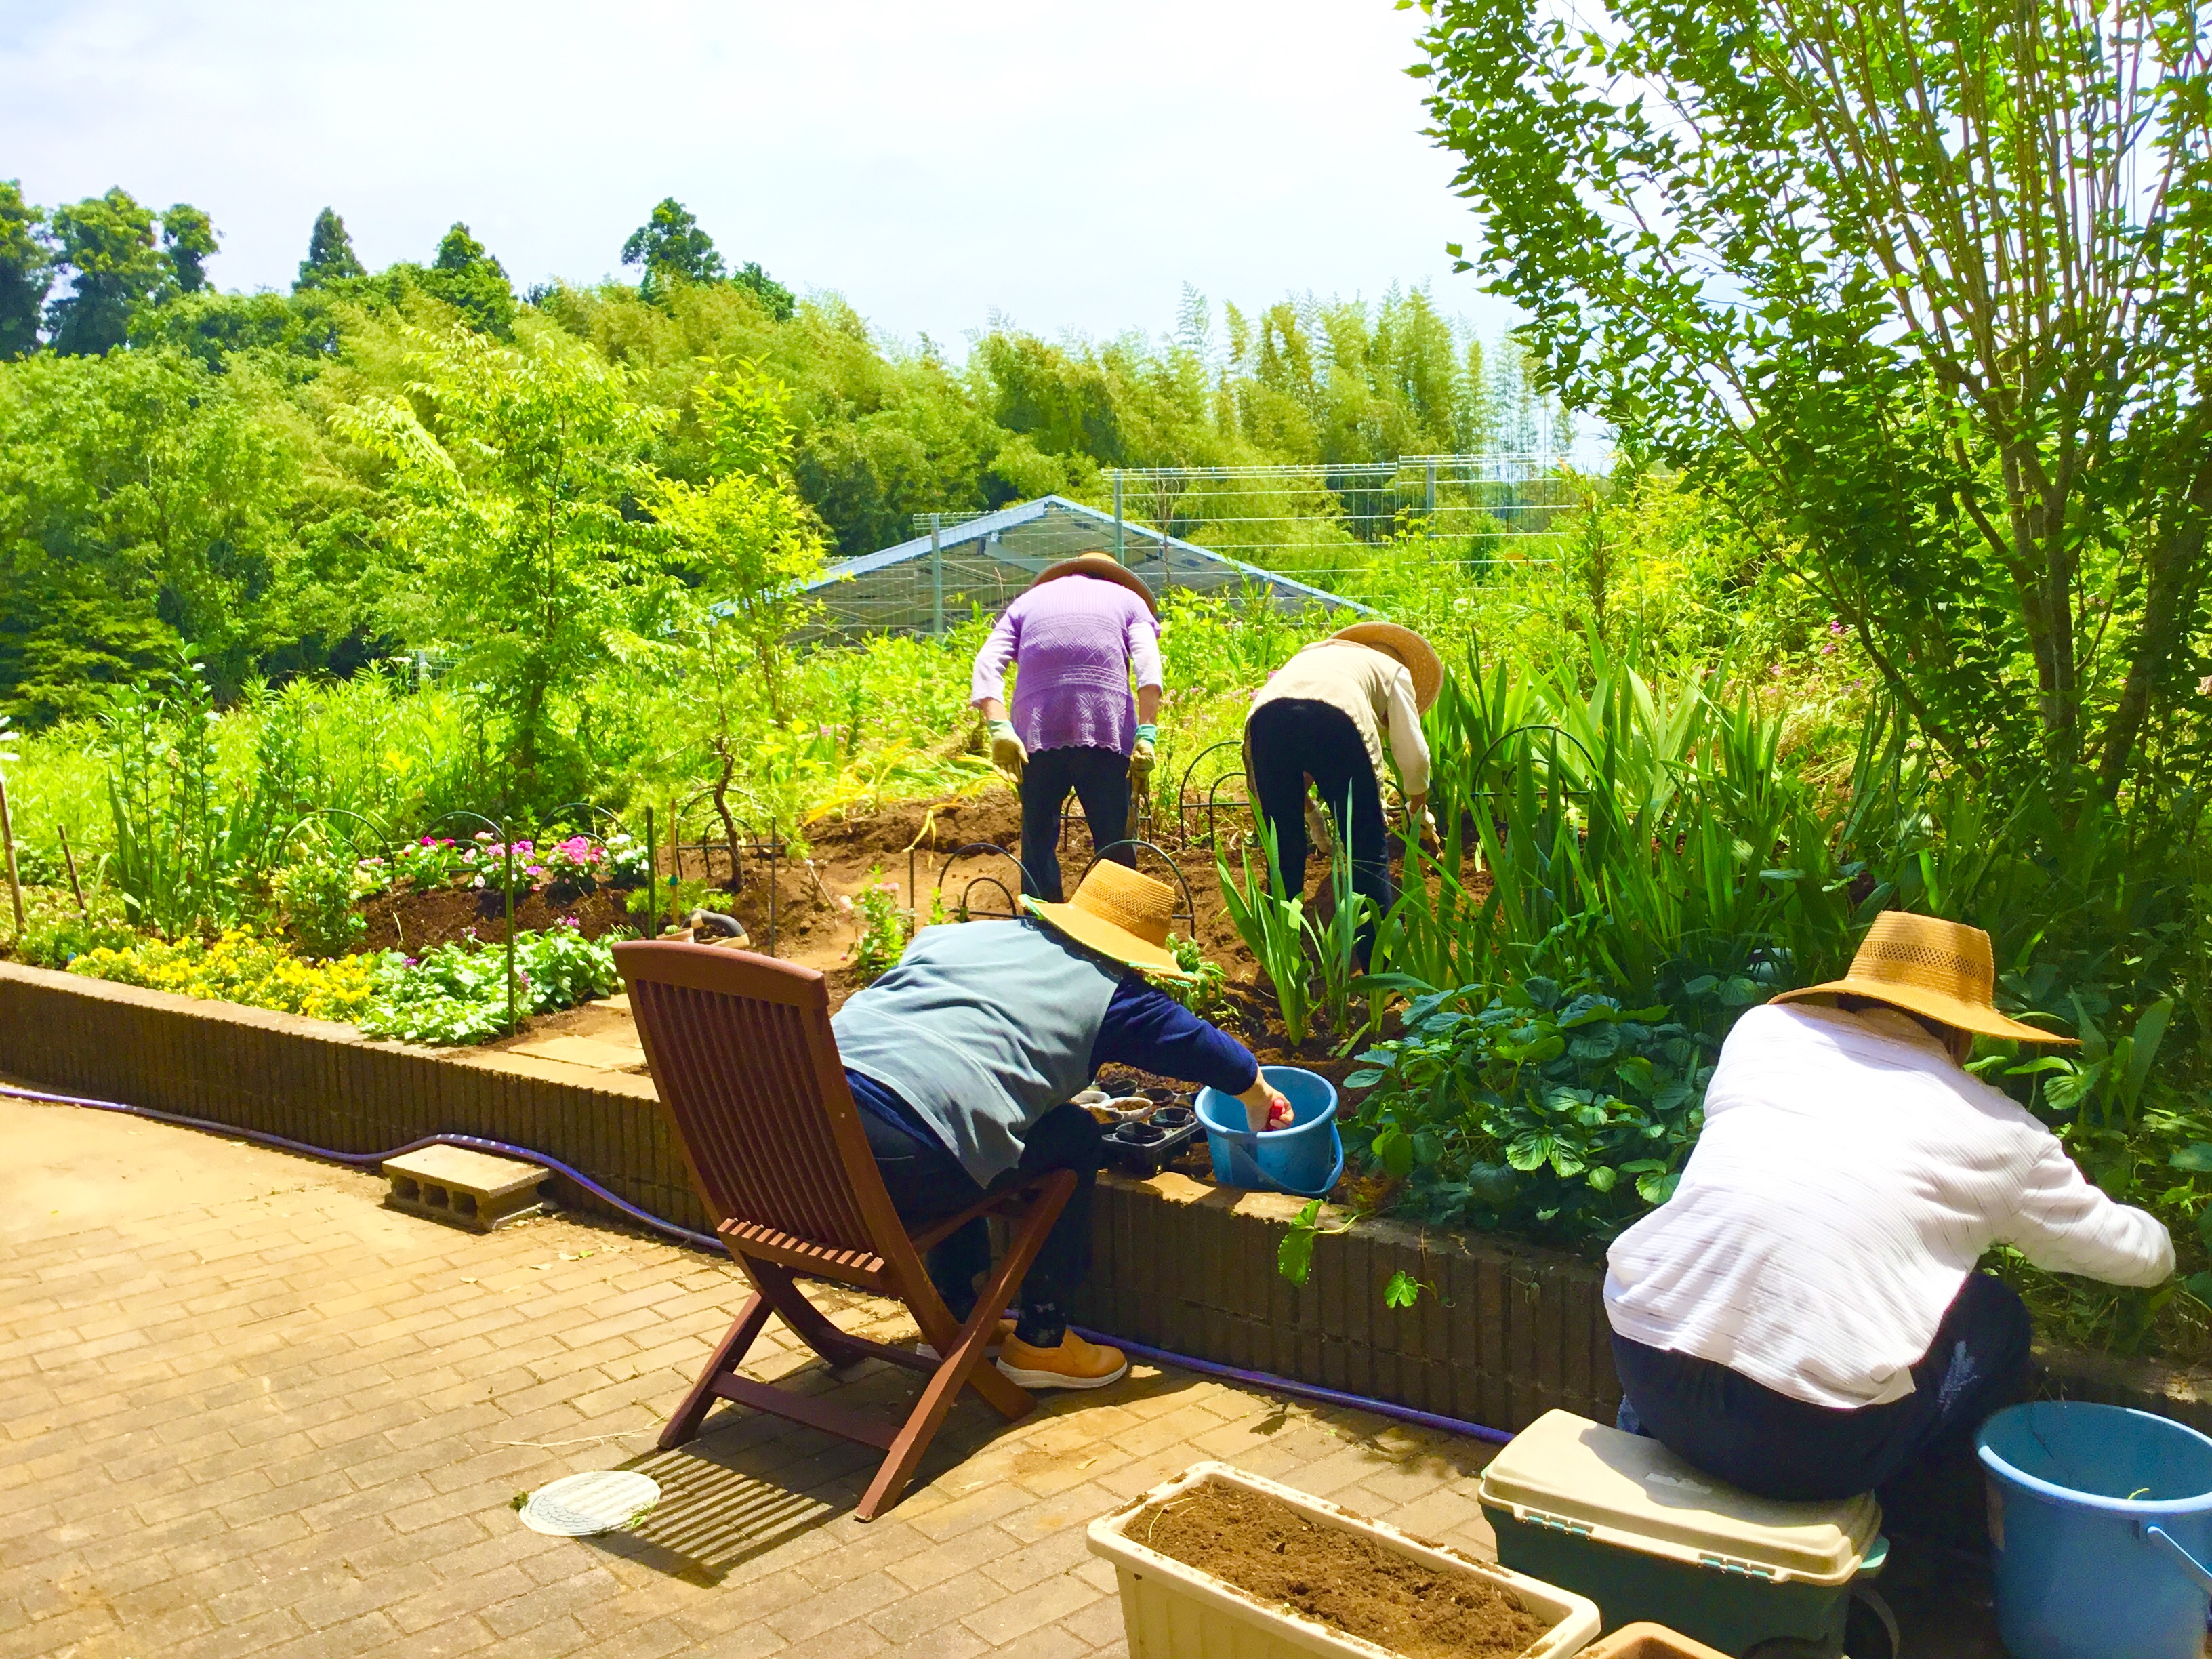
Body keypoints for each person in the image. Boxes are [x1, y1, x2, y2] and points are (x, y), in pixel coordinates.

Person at [1604, 911, 2173, 1534]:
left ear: (1852, 991)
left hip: (1647, 1367)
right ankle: (1908, 1531)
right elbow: (2132, 1258)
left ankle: (1650, 1437)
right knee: (1995, 1316)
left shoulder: (1760, 1034)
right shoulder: (2005, 1134)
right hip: (1807, 1447)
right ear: (1965, 1037)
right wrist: (2166, 1244)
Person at [832, 861, 1290, 1389]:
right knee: (1071, 1134)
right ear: (1134, 955)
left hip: (791, 1144)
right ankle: (1041, 1341)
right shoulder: (1113, 993)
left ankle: (954, 1315)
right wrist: (1260, 1095)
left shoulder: (959, 938)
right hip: (897, 1169)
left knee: (957, 1107)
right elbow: (1210, 1053)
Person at [1244, 621, 1440, 963]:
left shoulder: (1314, 658)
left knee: (1284, 850)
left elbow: (1297, 735)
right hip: (1337, 720)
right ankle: (1378, 971)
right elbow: (1414, 753)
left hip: (1267, 718)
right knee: (1366, 852)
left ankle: (1284, 964)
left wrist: (1310, 816)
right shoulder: (1395, 672)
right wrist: (1417, 806)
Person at [970, 552, 1163, 902]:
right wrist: (1147, 734)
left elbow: (987, 661)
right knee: (1114, 838)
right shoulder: (1129, 599)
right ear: (1113, 578)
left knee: (1038, 838)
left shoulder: (1027, 602)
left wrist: (998, 726)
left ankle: (1043, 926)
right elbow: (1149, 666)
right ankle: (1113, 927)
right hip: (1105, 724)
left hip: (1037, 731)